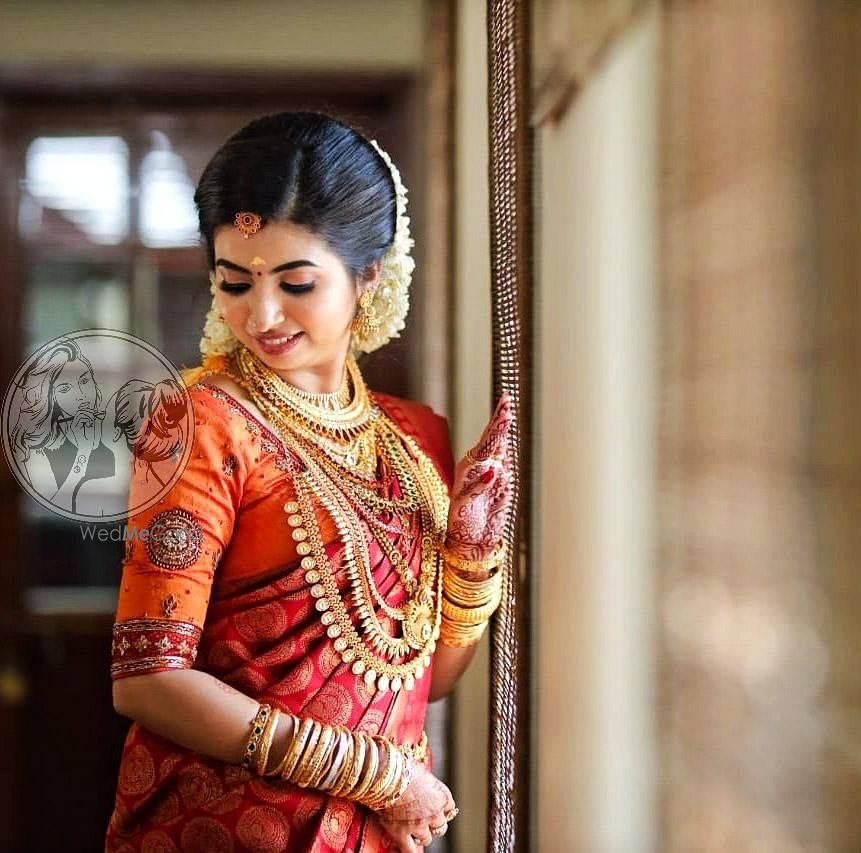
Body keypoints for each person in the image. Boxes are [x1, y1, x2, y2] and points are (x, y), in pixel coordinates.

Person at [105, 111, 515, 852]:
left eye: (295, 282)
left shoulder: (418, 438)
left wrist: (471, 557)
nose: (260, 315)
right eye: (234, 282)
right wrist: (383, 779)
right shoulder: (198, 426)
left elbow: (426, 679)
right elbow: (146, 680)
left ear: (368, 276)